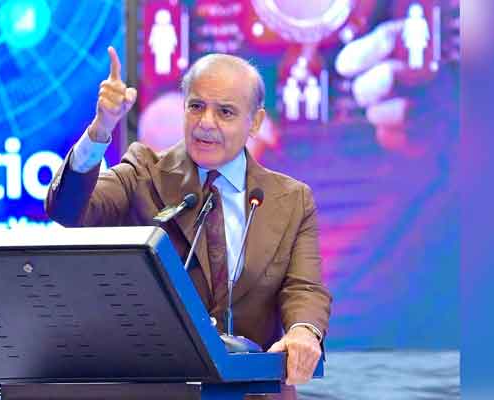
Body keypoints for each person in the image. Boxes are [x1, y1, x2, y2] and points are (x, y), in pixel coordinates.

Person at [46, 46, 331, 399]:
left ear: (255, 122)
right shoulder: (143, 172)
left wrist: (303, 331)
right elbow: (68, 210)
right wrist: (101, 128)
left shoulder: (291, 199)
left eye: (225, 112)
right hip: (158, 389)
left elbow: (304, 288)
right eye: (196, 106)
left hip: (254, 391)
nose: (206, 122)